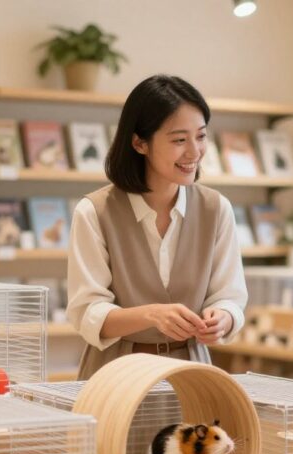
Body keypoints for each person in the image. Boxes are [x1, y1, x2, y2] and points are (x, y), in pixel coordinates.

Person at [67, 75, 247, 380]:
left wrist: (224, 318)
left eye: (201, 136)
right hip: (115, 376)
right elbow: (86, 312)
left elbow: (229, 295)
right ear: (139, 142)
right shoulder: (94, 212)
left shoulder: (216, 209)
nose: (194, 152)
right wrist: (149, 315)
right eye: (179, 140)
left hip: (192, 374)